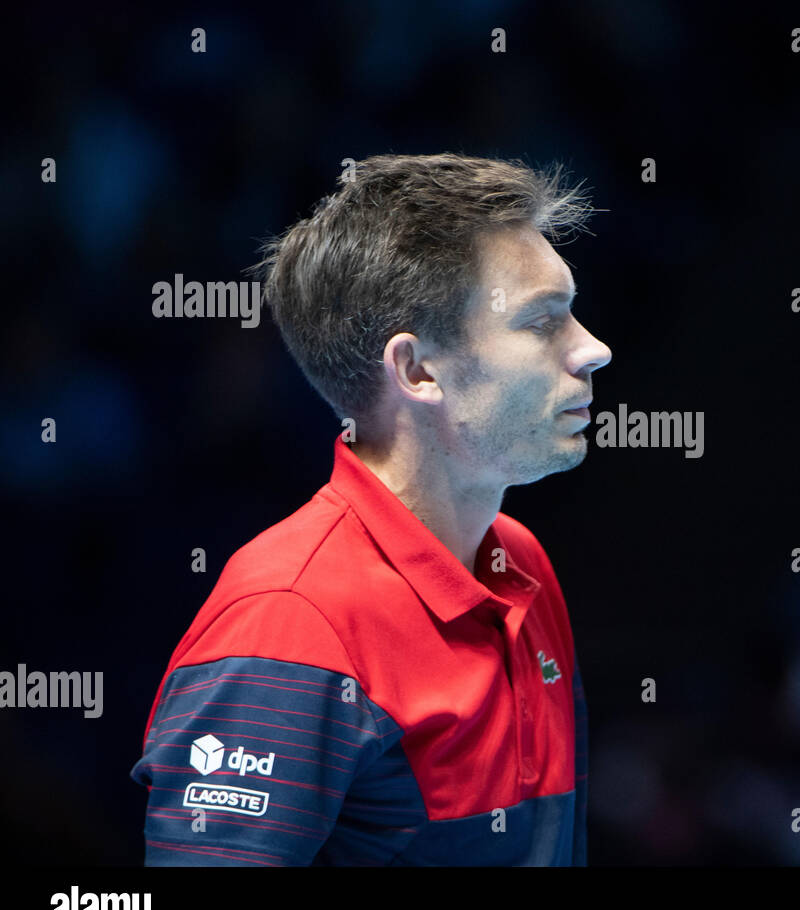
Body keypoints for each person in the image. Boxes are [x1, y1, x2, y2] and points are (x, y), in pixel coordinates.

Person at [130, 153, 611, 865]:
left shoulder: (521, 564)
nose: (592, 350)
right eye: (542, 323)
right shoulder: (291, 620)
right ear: (417, 371)